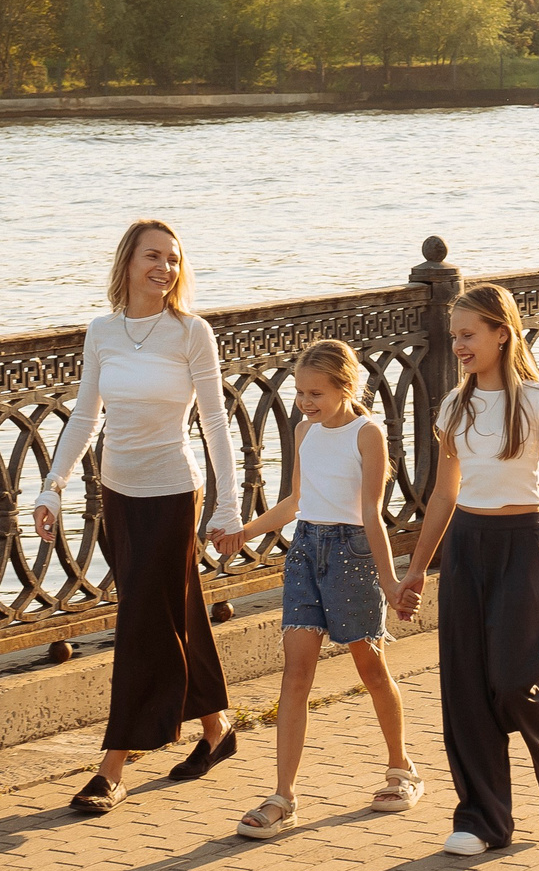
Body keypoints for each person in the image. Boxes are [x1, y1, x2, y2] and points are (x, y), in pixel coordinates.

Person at [393, 284, 539, 856]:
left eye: (468, 335)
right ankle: (482, 820)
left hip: (521, 543)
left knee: (513, 674)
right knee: (464, 684)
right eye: (454, 336)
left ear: (501, 333)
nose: (459, 345)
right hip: (466, 544)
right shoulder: (453, 405)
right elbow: (443, 495)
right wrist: (415, 569)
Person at [35, 219, 244, 815]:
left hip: (175, 494)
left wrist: (227, 507)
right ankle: (217, 728)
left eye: (174, 259)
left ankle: (113, 765)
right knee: (174, 612)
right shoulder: (101, 332)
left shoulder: (190, 333)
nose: (165, 268)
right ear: (128, 261)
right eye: (154, 256)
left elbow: (215, 423)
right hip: (119, 496)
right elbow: (85, 417)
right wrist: (53, 489)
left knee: (139, 627)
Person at [213, 339, 425, 839]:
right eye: (300, 392)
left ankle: (402, 769)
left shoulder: (367, 433)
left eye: (316, 393)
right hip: (306, 550)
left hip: (352, 555)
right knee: (296, 675)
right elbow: (297, 500)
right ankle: (283, 796)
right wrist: (247, 531)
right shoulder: (304, 430)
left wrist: (391, 580)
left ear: (345, 387)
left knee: (370, 667)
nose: (306, 402)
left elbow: (372, 513)